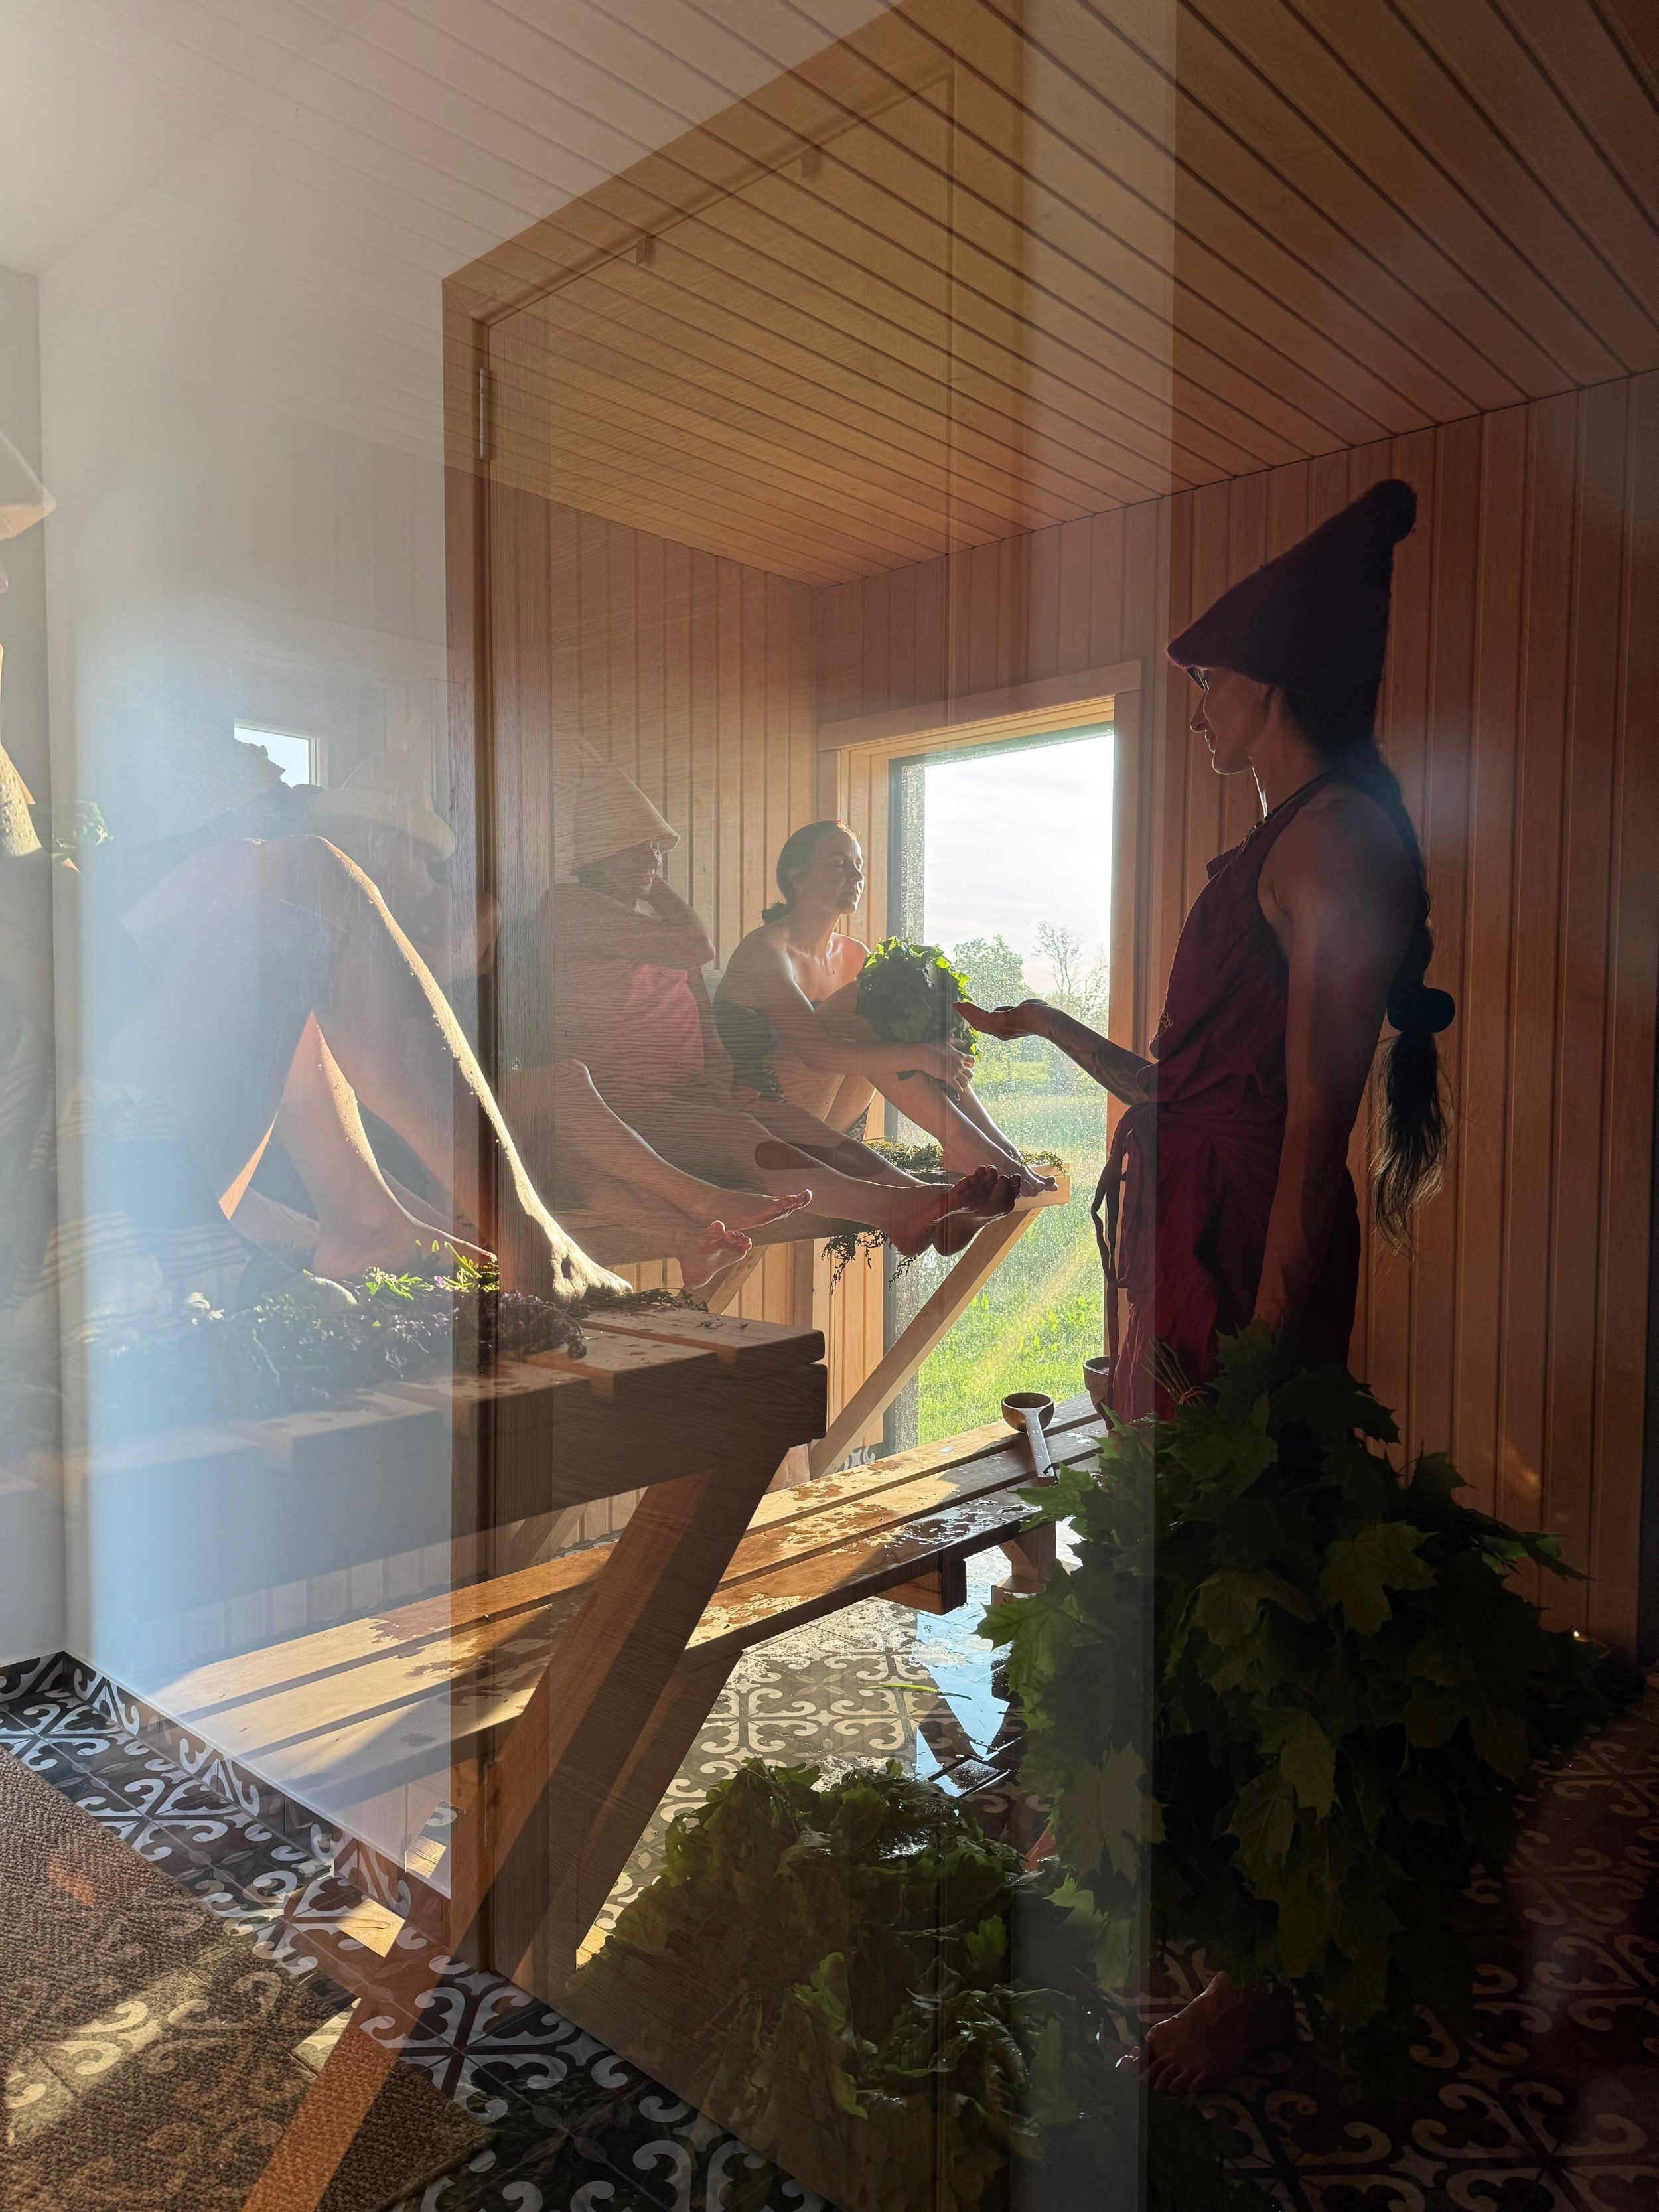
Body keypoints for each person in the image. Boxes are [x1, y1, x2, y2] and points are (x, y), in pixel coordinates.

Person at [962, 478, 1454, 2091]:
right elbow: (1185, 1086)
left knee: (1259, 1578)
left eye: (1208, 685)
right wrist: (1051, 1031)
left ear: (1274, 684)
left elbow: (1310, 1127)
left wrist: (1259, 1356)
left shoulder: (1340, 842)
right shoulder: (1280, 836)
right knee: (1176, 1560)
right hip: (1196, 1247)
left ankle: (1262, 1975)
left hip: (1250, 1260)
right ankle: (1162, 1862)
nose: (1193, 710)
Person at [506, 757, 1020, 1259]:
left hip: (689, 1092)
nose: (653, 862)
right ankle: (897, 1210)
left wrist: (718, 1074)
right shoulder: (568, 906)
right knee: (742, 1136)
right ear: (599, 855)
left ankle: (922, 1200)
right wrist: (660, 887)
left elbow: (698, 1004)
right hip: (625, 1102)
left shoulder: (655, 922)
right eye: (638, 850)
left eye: (656, 851)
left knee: (800, 1127)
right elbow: (696, 946)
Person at [713, 822, 1052, 1196]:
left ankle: (996, 1146)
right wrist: (924, 1056)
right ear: (797, 876)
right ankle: (964, 1143)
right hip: (761, 1119)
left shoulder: (854, 953)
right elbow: (815, 1054)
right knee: (869, 1002)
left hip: (834, 1123)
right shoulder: (765, 950)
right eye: (838, 863)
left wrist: (937, 1055)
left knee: (891, 998)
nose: (857, 876)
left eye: (858, 864)